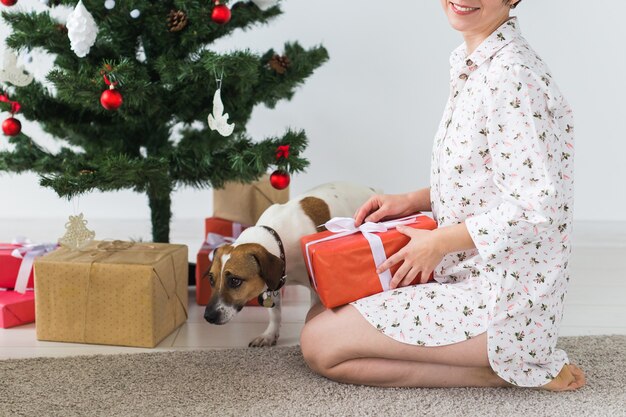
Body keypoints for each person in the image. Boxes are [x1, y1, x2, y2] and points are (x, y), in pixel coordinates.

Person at [300, 0, 586, 391]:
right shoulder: (475, 62)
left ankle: (514, 369)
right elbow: (489, 179)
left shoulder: (511, 75)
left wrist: (437, 242)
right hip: (466, 271)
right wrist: (415, 200)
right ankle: (508, 366)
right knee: (321, 309)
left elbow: (536, 207)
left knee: (320, 343)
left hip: (505, 301)